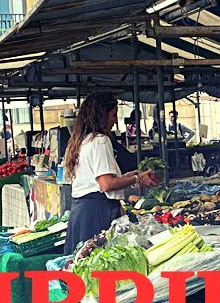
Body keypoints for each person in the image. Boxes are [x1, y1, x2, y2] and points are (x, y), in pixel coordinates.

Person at [64, 93, 155, 253]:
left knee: (83, 261)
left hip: (82, 211)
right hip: (97, 212)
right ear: (101, 115)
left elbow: (99, 180)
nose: (115, 120)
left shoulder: (82, 141)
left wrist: (125, 177)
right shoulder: (100, 140)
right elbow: (106, 184)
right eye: (113, 115)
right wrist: (137, 178)